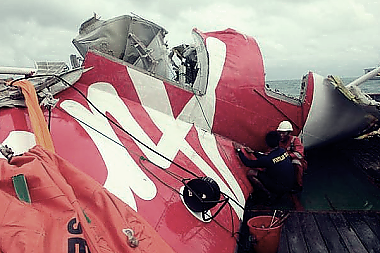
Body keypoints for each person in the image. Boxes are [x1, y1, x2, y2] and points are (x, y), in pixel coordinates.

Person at [233, 131, 296, 204]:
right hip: (289, 185)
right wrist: (254, 152)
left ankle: (269, 194)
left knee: (250, 173)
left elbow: (248, 163)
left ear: (267, 143)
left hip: (279, 188)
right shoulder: (282, 151)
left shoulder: (268, 159)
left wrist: (238, 150)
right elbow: (268, 158)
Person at [277, 120, 307, 191]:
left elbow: (299, 154)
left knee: (296, 163)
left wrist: (287, 156)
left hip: (292, 162)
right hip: (283, 162)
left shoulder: (295, 140)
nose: (281, 135)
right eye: (280, 133)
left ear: (289, 133)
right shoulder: (278, 142)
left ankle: (298, 185)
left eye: (283, 133)